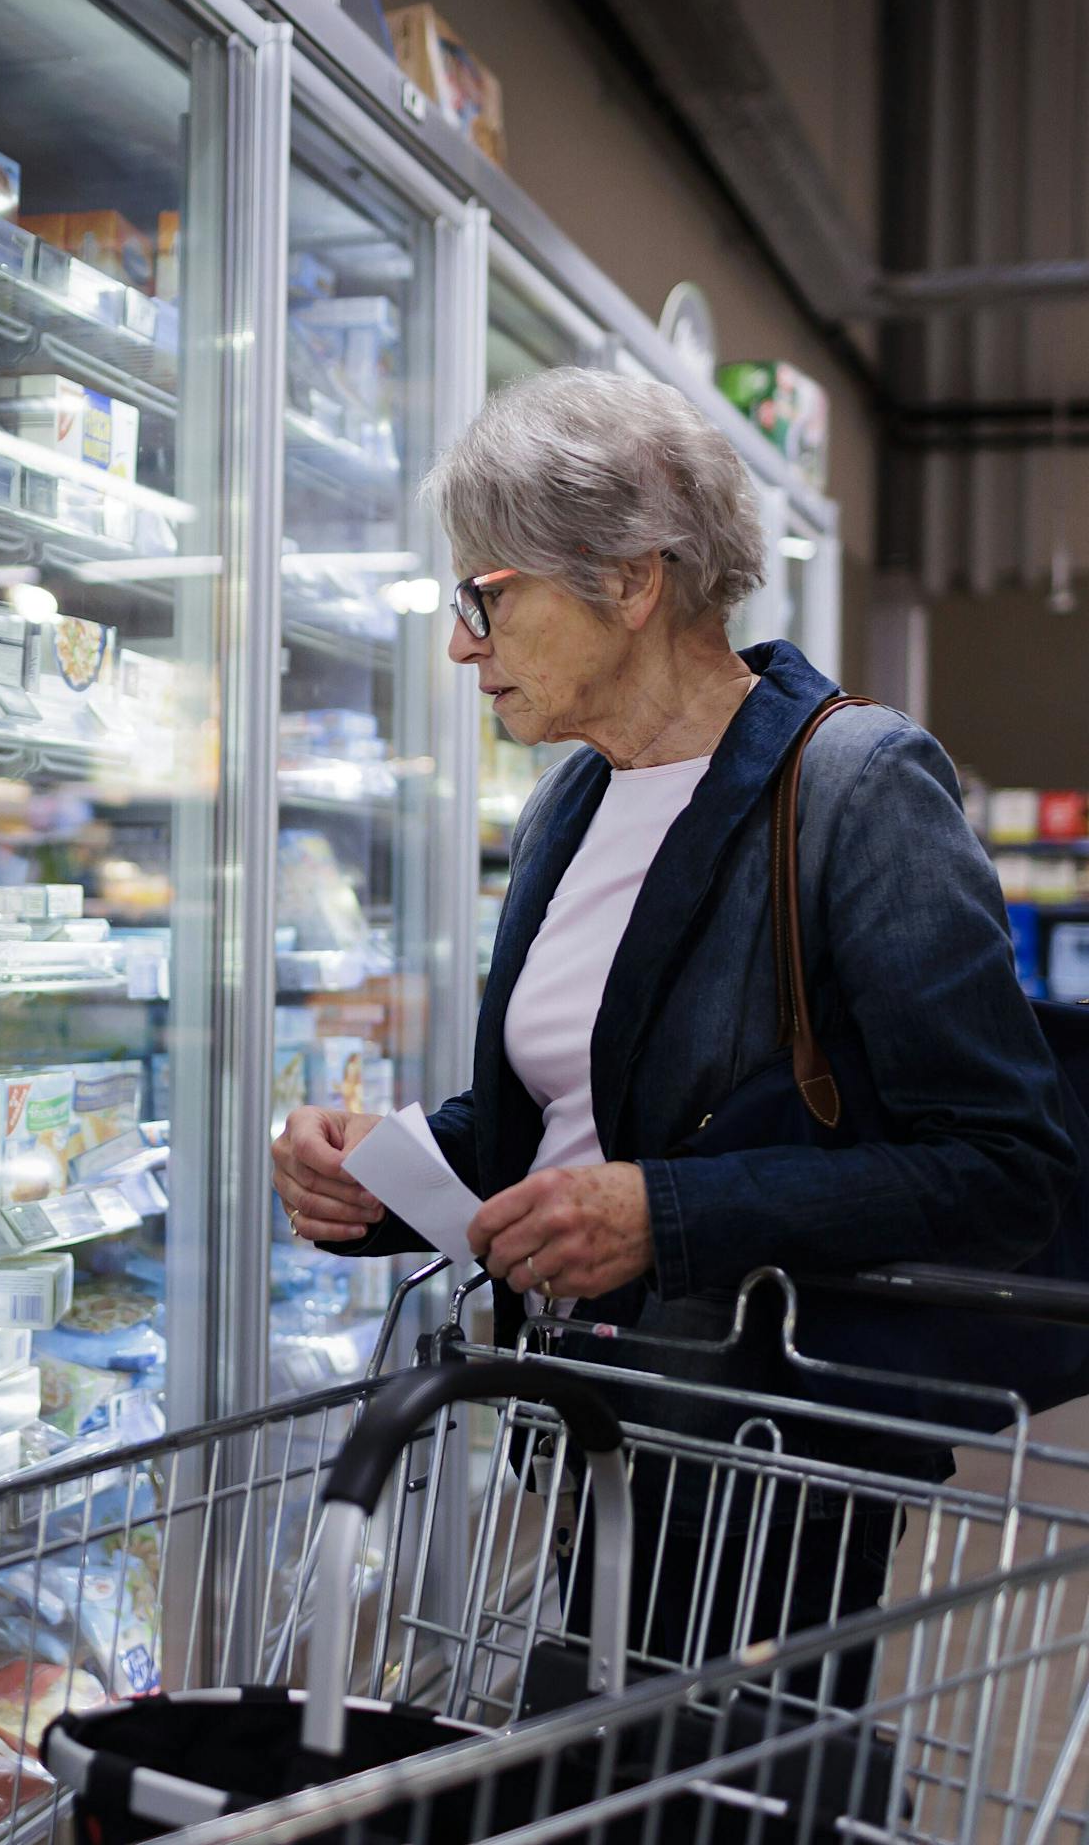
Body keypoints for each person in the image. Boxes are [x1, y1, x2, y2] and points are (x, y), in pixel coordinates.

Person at [271, 366, 1076, 1691]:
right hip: (593, 1423)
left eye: (485, 596)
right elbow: (568, 1123)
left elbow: (1008, 1167)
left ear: (632, 583)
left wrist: (668, 1216)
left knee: (714, 1783)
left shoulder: (857, 788)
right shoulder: (569, 805)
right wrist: (382, 1172)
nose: (461, 645)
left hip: (773, 1453)